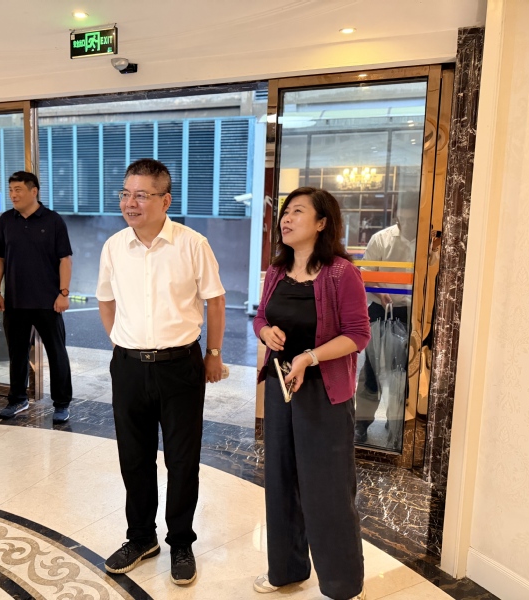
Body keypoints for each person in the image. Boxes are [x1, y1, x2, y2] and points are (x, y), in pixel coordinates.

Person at [96, 158, 226, 586]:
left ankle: (181, 542)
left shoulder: (192, 243)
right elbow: (106, 299)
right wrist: (121, 341)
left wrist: (213, 354)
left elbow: (215, 300)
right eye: (125, 194)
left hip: (180, 367)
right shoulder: (114, 246)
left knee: (182, 459)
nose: (130, 203)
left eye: (141, 195)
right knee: (133, 458)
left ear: (165, 200)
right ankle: (140, 538)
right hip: (129, 367)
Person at [252, 187, 370, 600]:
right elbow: (261, 317)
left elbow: (358, 335)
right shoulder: (276, 271)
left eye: (297, 211)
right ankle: (286, 571)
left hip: (324, 394)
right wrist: (266, 332)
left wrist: (310, 357)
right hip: (281, 389)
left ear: (322, 223)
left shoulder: (341, 273)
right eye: (285, 211)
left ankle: (343, 585)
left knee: (328, 489)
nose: (286, 218)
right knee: (280, 480)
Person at [0, 171, 73, 423]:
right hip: (15, 301)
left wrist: (64, 293)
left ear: (33, 191)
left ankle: (62, 404)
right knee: (17, 354)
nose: (13, 195)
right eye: (10, 190)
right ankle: (17, 399)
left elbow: (65, 259)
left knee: (57, 353)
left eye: (18, 190)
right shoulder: (6, 221)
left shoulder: (53, 220)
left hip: (49, 301)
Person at [354, 191, 418, 445]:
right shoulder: (381, 239)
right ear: (397, 215)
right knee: (372, 368)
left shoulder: (426, 242)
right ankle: (361, 423)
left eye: (413, 218)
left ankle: (397, 423)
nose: (408, 223)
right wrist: (381, 293)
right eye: (404, 218)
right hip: (381, 309)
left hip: (411, 312)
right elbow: (365, 274)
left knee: (404, 370)